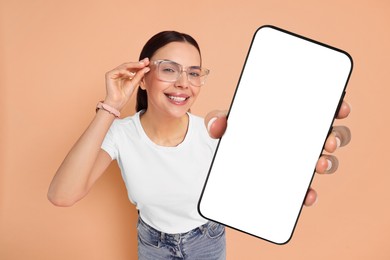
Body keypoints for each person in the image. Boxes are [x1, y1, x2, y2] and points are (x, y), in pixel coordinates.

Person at [48, 31, 351, 260]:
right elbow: (62, 195)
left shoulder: (214, 130)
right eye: (169, 69)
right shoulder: (120, 134)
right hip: (152, 244)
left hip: (207, 240)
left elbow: (257, 178)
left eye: (193, 73)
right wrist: (111, 105)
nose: (184, 82)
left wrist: (296, 150)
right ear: (142, 77)